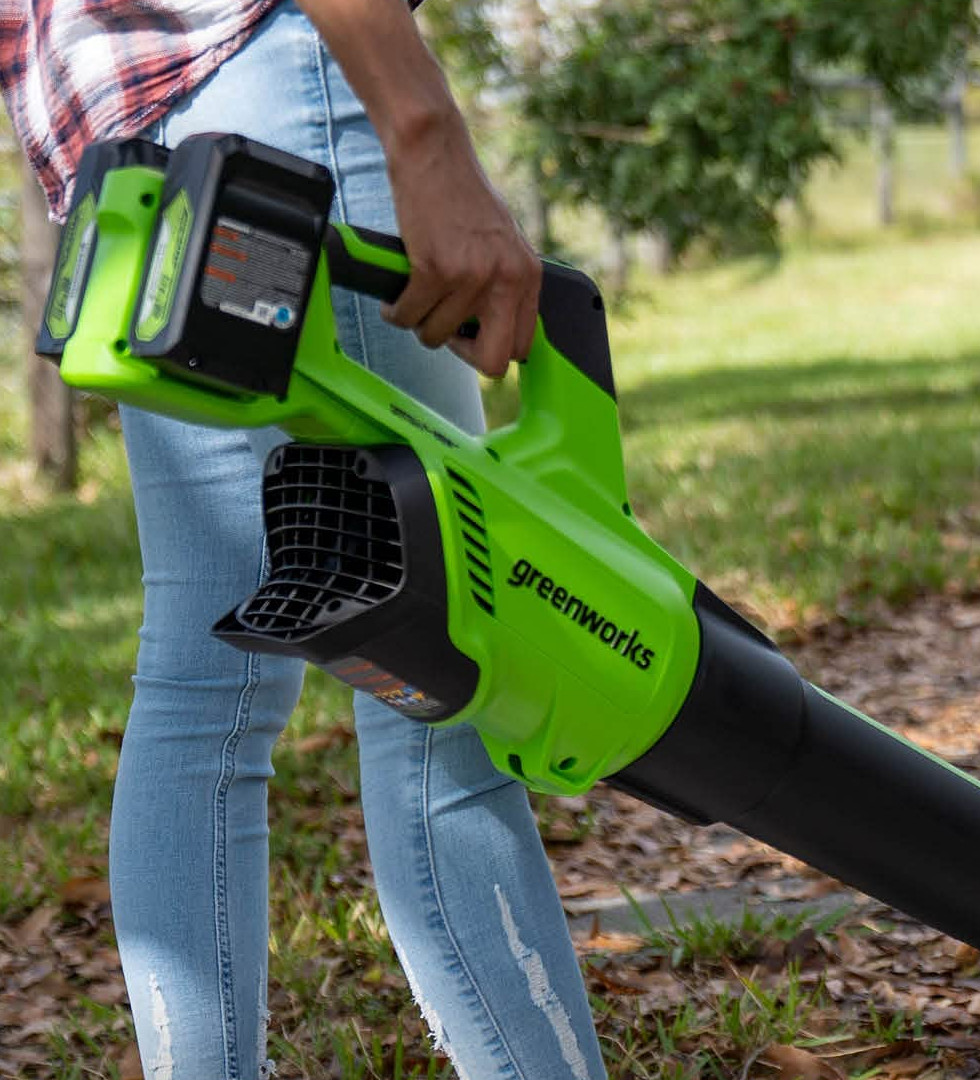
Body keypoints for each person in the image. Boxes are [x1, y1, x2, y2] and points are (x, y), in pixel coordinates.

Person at [1, 0, 610, 1077]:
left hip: (134, 146)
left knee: (205, 687)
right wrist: (424, 126)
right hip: (283, 77)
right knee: (443, 663)